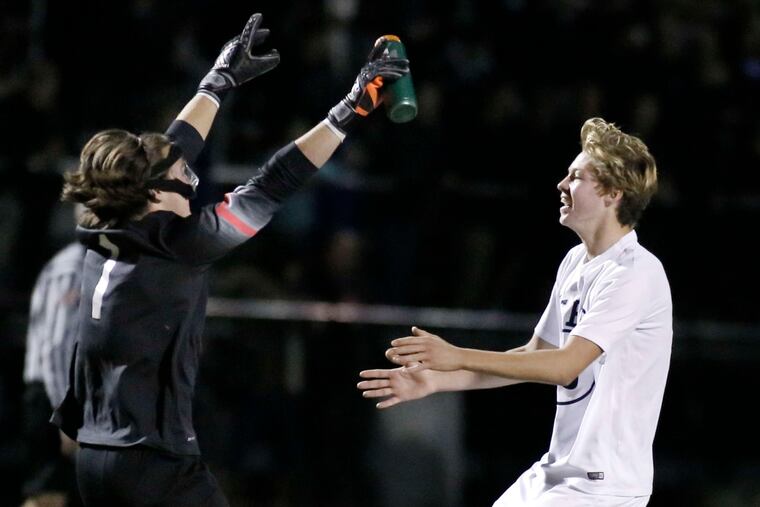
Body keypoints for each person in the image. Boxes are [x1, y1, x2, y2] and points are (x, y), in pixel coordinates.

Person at [51, 12, 409, 507]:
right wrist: (349, 110)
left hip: (96, 452)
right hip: (152, 464)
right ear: (154, 193)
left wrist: (215, 85)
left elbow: (168, 154)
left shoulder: (104, 227)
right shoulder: (174, 245)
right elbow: (272, 183)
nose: (193, 177)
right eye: (183, 173)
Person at [358, 117, 671, 507]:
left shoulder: (635, 272)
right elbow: (532, 355)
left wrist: (456, 354)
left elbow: (564, 366)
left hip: (603, 487)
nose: (561, 185)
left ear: (613, 194)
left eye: (575, 177)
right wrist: (440, 380)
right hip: (558, 471)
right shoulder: (576, 261)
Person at [21, 212, 85, 507]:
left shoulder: (84, 263)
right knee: (48, 494)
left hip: (61, 395)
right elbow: (56, 346)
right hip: (54, 395)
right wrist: (66, 416)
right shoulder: (73, 267)